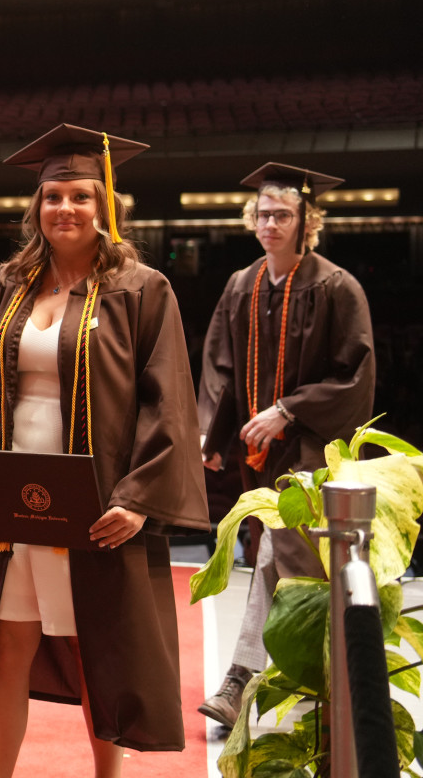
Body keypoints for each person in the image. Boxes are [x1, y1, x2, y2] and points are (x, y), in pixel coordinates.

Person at [0, 124, 209, 777]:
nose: (65, 208)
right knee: (6, 645)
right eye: (53, 196)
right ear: (36, 208)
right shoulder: (3, 288)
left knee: (101, 647)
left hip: (95, 505)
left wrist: (139, 500)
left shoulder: (142, 290)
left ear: (107, 206)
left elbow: (169, 399)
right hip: (7, 504)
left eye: (80, 196)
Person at [195, 162, 375, 726]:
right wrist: (213, 433)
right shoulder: (241, 285)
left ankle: (241, 678)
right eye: (262, 213)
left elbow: (356, 374)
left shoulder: (337, 286)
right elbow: (222, 366)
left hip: (315, 451)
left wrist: (288, 410)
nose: (270, 223)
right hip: (261, 454)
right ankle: (312, 683)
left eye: (283, 214)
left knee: (283, 553)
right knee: (278, 559)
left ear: (307, 221)